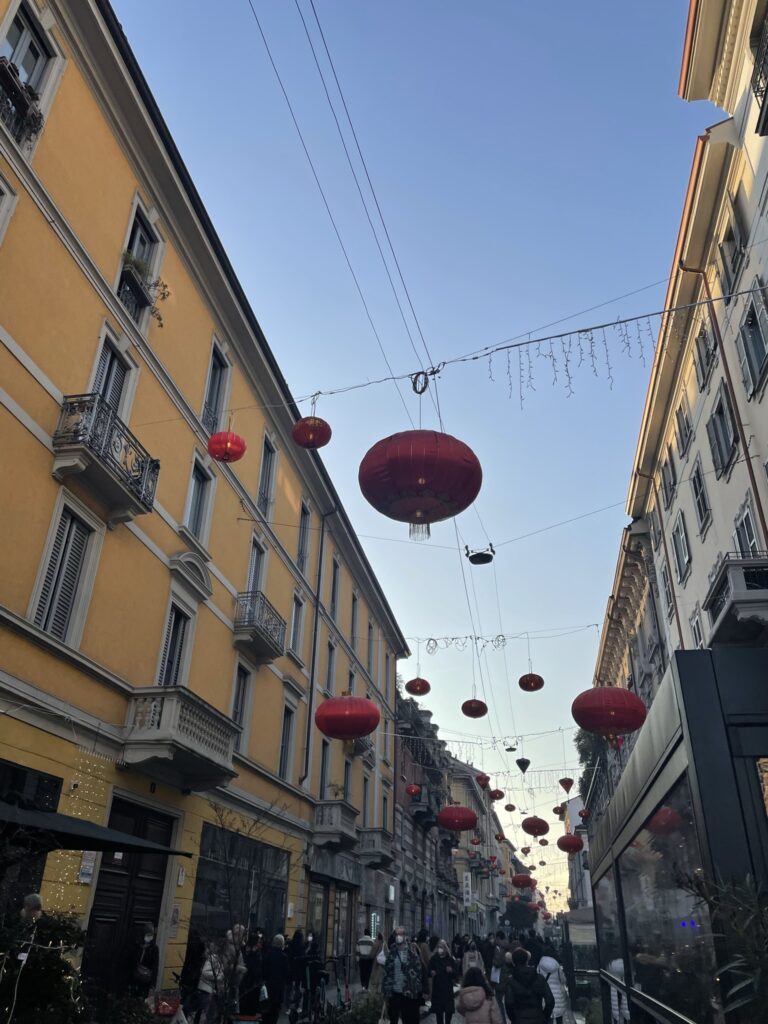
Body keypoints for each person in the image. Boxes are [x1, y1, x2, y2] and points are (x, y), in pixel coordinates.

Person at [383, 925, 424, 1024]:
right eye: (396, 934)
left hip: (409, 992)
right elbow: (387, 971)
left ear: (405, 936)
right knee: (393, 1018)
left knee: (408, 1019)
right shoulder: (392, 951)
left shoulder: (412, 950)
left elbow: (419, 971)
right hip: (394, 992)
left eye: (401, 934)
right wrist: (385, 990)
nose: (398, 936)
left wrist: (417, 988)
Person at [504, 948, 554, 1024]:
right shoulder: (540, 978)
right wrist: (544, 1017)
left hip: (519, 1019)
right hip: (538, 1018)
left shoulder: (511, 981)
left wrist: (514, 1018)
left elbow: (508, 1003)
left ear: (513, 962)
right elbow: (550, 1000)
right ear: (527, 961)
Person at [261, 934, 291, 1024]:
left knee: (266, 1011)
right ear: (282, 944)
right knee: (275, 1011)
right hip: (278, 988)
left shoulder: (267, 955)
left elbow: (263, 970)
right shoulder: (284, 957)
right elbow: (287, 973)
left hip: (268, 987)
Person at [428, 939, 459, 1024]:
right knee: (439, 1014)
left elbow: (456, 974)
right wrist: (431, 972)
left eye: (441, 947)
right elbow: (428, 971)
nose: (440, 949)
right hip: (437, 989)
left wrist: (451, 971)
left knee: (448, 1012)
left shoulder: (450, 959)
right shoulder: (434, 959)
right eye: (438, 947)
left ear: (445, 948)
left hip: (447, 989)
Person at [536, 951, 568, 1024]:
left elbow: (537, 978)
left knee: (548, 1017)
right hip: (558, 996)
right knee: (559, 1019)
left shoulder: (540, 965)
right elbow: (563, 980)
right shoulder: (557, 966)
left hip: (545, 995)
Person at [133, 922, 159, 1000]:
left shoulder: (154, 948)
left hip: (145, 979)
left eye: (151, 935)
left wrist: (153, 985)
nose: (149, 937)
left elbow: (155, 966)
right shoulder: (138, 945)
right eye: (148, 935)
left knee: (142, 998)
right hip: (135, 976)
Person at [416, 928, 432, 999]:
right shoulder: (424, 945)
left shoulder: (417, 944)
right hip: (424, 968)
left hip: (417, 968)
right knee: (425, 985)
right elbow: (428, 959)